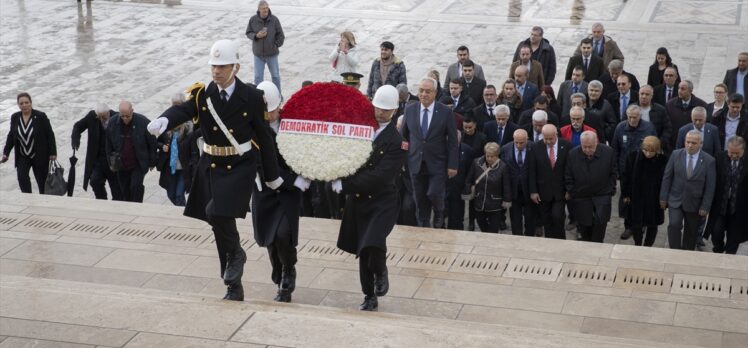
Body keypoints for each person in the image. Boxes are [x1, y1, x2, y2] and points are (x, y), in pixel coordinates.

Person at [147, 40, 283, 301]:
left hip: (240, 166)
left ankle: (237, 256)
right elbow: (184, 110)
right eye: (213, 66)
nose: (216, 71)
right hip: (210, 166)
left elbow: (265, 138)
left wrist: (272, 175)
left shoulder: (253, 97)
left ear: (236, 67)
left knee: (215, 213)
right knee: (220, 225)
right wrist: (164, 119)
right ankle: (233, 285)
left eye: (222, 66)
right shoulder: (203, 95)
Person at [333, 85, 407, 311]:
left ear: (394, 111)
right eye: (378, 108)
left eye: (386, 110)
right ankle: (368, 295)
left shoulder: (396, 141)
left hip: (382, 200)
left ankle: (381, 271)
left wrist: (345, 184)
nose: (380, 113)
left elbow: (379, 177)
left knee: (371, 241)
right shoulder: (360, 128)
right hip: (358, 201)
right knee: (362, 249)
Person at [250, 81, 304, 302]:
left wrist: (302, 177)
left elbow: (303, 153)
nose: (268, 115)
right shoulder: (252, 128)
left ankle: (288, 270)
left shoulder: (291, 125)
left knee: (284, 234)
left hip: (288, 192)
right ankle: (278, 268)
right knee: (270, 240)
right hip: (265, 191)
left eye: (271, 110)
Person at [400, 77, 458, 228]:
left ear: (435, 93)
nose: (424, 94)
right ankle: (423, 225)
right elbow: (403, 137)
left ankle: (439, 212)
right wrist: (402, 159)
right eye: (421, 91)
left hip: (437, 162)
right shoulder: (410, 109)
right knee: (419, 199)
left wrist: (453, 165)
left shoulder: (445, 111)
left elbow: (452, 141)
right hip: (415, 162)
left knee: (434, 193)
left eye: (428, 91)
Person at [660, 130, 717, 250]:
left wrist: (705, 206)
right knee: (674, 224)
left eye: (693, 143)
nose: (690, 145)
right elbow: (667, 177)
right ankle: (675, 251)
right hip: (676, 199)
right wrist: (663, 197)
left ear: (700, 143)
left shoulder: (709, 161)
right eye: (687, 142)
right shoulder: (676, 154)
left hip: (695, 203)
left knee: (691, 231)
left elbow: (710, 186)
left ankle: (686, 254)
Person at [611, 105, 656, 239]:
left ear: (640, 116)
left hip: (643, 170)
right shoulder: (620, 127)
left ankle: (641, 224)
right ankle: (628, 226)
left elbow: (654, 147)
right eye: (629, 117)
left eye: (634, 117)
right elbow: (615, 149)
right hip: (626, 171)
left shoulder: (648, 128)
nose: (631, 120)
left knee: (642, 199)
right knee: (626, 200)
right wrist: (616, 169)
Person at [565, 131, 617, 243]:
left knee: (599, 232)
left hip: (602, 197)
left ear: (596, 142)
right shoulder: (573, 154)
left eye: (591, 147)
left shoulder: (608, 152)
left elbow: (613, 174)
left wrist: (610, 190)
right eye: (585, 147)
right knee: (585, 234)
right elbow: (568, 176)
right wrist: (573, 192)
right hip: (581, 198)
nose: (587, 150)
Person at [2, 92, 57, 194]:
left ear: (31, 103)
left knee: (42, 182)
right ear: (18, 105)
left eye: (26, 102)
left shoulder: (40, 116)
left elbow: (50, 134)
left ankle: (43, 201)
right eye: (21, 103)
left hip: (39, 155)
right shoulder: (15, 117)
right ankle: (28, 198)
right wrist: (6, 153)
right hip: (23, 155)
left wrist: (53, 152)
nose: (24, 105)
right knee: (22, 178)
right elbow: (11, 136)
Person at [105, 101, 157, 203]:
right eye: (122, 116)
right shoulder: (112, 123)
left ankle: (137, 206)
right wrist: (110, 163)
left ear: (132, 111)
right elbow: (108, 144)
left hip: (138, 163)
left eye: (127, 116)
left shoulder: (143, 122)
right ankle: (129, 208)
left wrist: (152, 161)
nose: (125, 119)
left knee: (136, 186)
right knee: (125, 190)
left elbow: (152, 142)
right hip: (121, 164)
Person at [621, 136, 667, 246]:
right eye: (645, 150)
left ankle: (648, 246)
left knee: (652, 224)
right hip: (636, 196)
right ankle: (638, 244)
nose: (648, 154)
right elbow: (625, 176)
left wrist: (664, 198)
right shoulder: (632, 157)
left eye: (652, 151)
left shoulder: (662, 160)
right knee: (636, 223)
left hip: (654, 198)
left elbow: (665, 180)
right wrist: (626, 194)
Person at [71, 102, 122, 200]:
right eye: (99, 117)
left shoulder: (117, 117)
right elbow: (78, 126)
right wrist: (75, 140)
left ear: (108, 113)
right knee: (95, 181)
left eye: (104, 116)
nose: (102, 119)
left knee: (117, 189)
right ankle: (102, 199)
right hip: (98, 159)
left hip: (113, 160)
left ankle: (117, 206)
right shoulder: (92, 116)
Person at [528, 124, 571, 239]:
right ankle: (549, 243)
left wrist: (569, 189)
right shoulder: (536, 147)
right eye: (545, 138)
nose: (547, 141)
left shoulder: (566, 145)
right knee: (546, 220)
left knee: (557, 217)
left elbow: (570, 169)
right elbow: (532, 170)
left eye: (550, 138)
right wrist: (533, 191)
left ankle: (561, 241)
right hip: (543, 191)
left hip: (560, 191)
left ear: (556, 135)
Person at [705, 136, 747, 254]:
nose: (733, 156)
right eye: (731, 152)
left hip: (739, 207)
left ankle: (730, 256)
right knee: (716, 231)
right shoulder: (719, 157)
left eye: (737, 153)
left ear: (743, 150)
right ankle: (718, 249)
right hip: (720, 204)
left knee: (734, 237)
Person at [463, 142, 511, 233]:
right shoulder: (476, 163)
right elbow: (469, 178)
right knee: (482, 227)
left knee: (493, 231)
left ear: (497, 155)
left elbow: (506, 186)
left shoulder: (503, 167)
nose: (489, 158)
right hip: (479, 202)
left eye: (492, 156)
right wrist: (468, 191)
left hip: (495, 204)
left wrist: (506, 200)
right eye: (487, 155)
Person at [157, 94, 193, 206]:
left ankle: (183, 215)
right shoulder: (165, 122)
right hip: (170, 166)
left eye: (179, 106)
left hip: (184, 166)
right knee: (171, 194)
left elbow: (194, 145)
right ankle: (182, 210)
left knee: (179, 195)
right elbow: (155, 140)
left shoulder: (189, 125)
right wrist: (162, 146)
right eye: (174, 105)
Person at [245, 0, 285, 93]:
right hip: (258, 55)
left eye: (267, 8)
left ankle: (278, 95)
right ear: (259, 9)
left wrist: (275, 45)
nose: (266, 10)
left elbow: (281, 35)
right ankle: (259, 97)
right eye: (263, 9)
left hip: (272, 54)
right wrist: (256, 36)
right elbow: (248, 33)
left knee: (275, 76)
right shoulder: (253, 20)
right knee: (258, 77)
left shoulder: (274, 20)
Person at [501, 129, 534, 236]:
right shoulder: (505, 148)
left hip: (529, 191)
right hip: (513, 191)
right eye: (517, 142)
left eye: (522, 142)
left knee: (530, 218)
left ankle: (529, 237)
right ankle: (517, 239)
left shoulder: (534, 147)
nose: (519, 145)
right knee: (515, 220)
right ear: (513, 139)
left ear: (527, 139)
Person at [666, 80, 707, 150]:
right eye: (679, 88)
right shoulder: (670, 104)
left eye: (683, 89)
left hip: (694, 143)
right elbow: (667, 124)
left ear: (690, 90)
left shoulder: (702, 105)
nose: (679, 91)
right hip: (674, 143)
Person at [633, 85, 673, 154]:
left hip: (654, 148)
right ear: (638, 94)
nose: (644, 96)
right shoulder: (631, 109)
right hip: (635, 147)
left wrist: (659, 143)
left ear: (652, 96)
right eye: (642, 94)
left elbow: (667, 128)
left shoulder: (660, 110)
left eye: (647, 94)